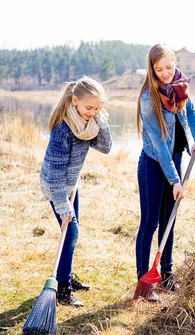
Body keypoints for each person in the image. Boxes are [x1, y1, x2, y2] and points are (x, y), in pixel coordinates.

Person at [135, 43, 195, 302]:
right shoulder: (147, 99)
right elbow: (161, 145)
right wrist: (175, 179)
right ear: (151, 69)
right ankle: (144, 282)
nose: (165, 73)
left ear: (175, 64)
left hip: (174, 159)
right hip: (154, 165)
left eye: (169, 67)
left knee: (169, 221)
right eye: (159, 69)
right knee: (150, 224)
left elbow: (191, 113)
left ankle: (166, 275)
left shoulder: (179, 87)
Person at [40, 76, 112, 307]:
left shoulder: (87, 126)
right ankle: (62, 289)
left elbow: (105, 147)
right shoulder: (64, 129)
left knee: (73, 233)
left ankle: (67, 276)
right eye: (88, 107)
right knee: (69, 232)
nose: (92, 112)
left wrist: (102, 122)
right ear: (74, 101)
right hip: (56, 187)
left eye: (97, 108)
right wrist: (62, 206)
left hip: (71, 185)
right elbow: (54, 175)